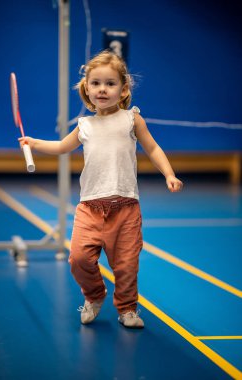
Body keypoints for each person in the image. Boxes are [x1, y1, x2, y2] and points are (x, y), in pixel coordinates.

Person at [19, 50, 183, 329]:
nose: (102, 89)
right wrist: (34, 143)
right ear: (87, 89)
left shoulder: (132, 119)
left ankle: (128, 308)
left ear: (123, 89)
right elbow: (60, 148)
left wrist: (169, 173)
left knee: (127, 266)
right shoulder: (84, 126)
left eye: (110, 83)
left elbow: (152, 148)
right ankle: (95, 295)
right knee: (79, 258)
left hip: (126, 208)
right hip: (90, 208)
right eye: (95, 83)